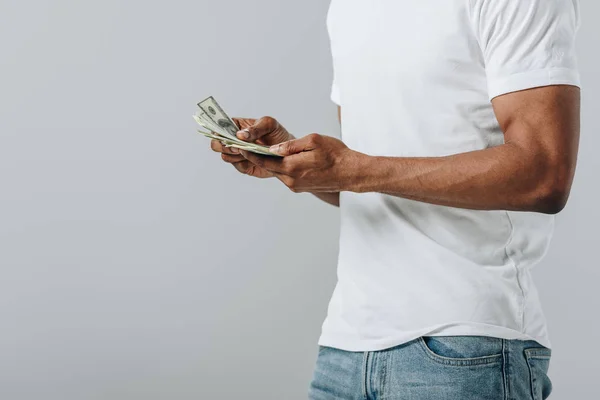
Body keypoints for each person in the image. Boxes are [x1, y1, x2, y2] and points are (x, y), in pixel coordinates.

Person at [210, 0, 581, 398]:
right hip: (345, 349)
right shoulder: (349, 8)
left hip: (464, 345)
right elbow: (373, 181)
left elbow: (544, 173)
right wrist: (294, 161)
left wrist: (353, 168)